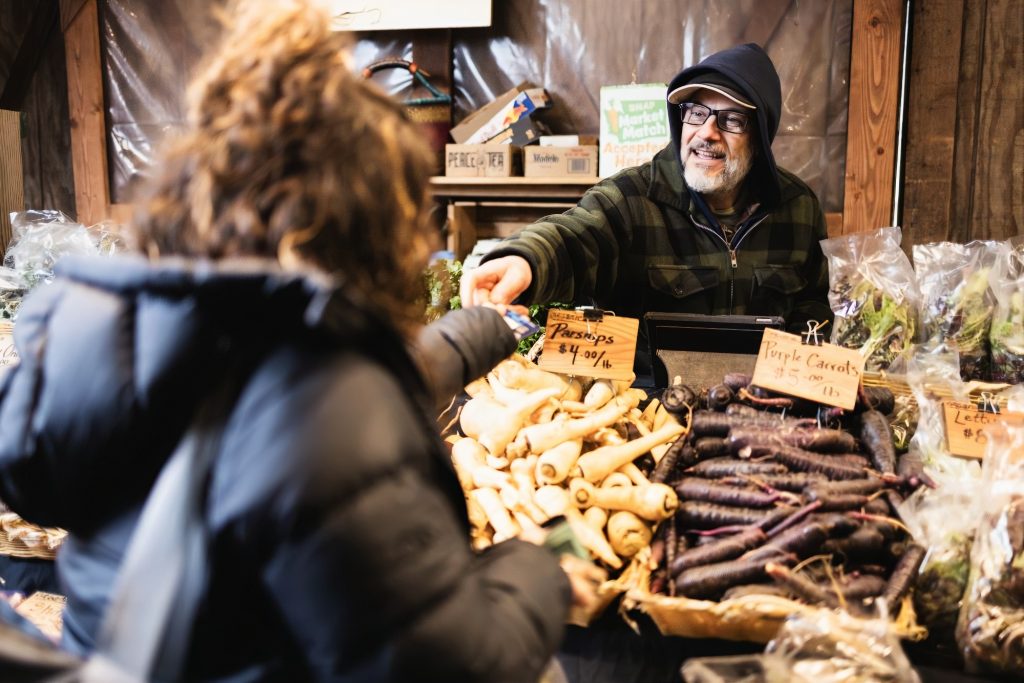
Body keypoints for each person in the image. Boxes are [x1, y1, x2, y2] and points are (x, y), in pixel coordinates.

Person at [0, 1, 598, 680]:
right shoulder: (334, 413)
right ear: (369, 219)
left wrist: (476, 333)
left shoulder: (101, 329)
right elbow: (452, 664)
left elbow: (263, 411)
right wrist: (536, 569)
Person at [460, 43, 831, 368]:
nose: (706, 133)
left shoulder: (797, 208)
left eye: (731, 120)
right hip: (649, 412)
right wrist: (523, 261)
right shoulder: (633, 198)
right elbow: (573, 236)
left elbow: (813, 308)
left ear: (761, 137)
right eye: (696, 112)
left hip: (761, 416)